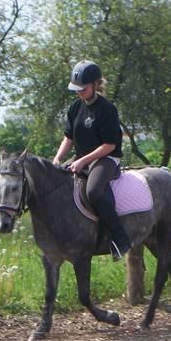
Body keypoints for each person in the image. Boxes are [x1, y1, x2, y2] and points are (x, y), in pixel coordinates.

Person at [52, 60, 132, 261]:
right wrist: (57, 159)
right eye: (76, 89)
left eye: (83, 88)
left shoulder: (107, 109)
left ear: (96, 84)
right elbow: (69, 137)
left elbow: (110, 145)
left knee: (94, 191)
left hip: (105, 159)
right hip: (81, 158)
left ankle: (119, 238)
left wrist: (82, 161)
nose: (79, 92)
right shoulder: (74, 108)